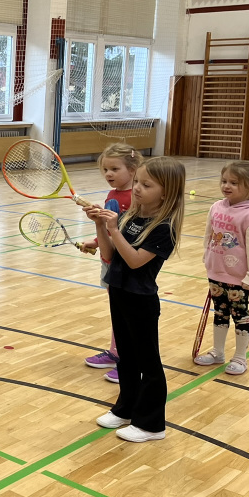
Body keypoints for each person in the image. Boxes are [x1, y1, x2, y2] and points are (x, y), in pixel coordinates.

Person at [86, 156, 186, 443]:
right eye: (138, 182)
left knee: (148, 363)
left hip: (141, 301)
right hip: (118, 292)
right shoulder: (131, 217)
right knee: (126, 358)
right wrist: (100, 225)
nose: (138, 188)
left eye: (147, 185)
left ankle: (152, 425)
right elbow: (109, 255)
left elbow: (134, 261)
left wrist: (114, 229)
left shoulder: (164, 228)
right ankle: (125, 409)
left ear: (166, 192)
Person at [195, 161, 249, 375]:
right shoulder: (216, 207)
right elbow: (209, 235)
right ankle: (218, 352)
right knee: (220, 313)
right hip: (216, 273)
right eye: (224, 181)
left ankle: (240, 358)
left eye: (234, 183)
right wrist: (207, 258)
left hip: (239, 278)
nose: (226, 186)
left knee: (240, 316)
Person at [82, 144, 142, 384]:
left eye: (115, 169)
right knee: (118, 310)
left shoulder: (137, 197)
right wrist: (97, 241)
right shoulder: (112, 196)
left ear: (133, 170)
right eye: (105, 169)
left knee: (128, 313)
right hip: (110, 261)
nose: (108, 174)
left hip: (129, 263)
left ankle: (130, 361)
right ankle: (116, 353)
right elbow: (111, 229)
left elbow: (131, 231)